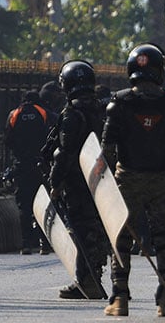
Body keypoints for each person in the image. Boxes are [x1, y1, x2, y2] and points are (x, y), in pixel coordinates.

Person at [102, 44, 165, 317]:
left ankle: (120, 297)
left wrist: (104, 184)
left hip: (126, 178)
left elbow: (106, 148)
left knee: (121, 239)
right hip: (162, 179)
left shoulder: (119, 102)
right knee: (164, 238)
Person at [47, 60, 111, 299]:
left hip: (77, 181)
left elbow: (64, 152)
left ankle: (86, 281)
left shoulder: (73, 114)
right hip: (100, 177)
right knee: (95, 228)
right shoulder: (101, 108)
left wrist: (55, 182)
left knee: (82, 230)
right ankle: (94, 277)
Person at [6, 93, 52, 255]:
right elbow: (52, 137)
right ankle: (44, 242)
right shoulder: (43, 112)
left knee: (24, 206)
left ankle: (26, 243)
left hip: (22, 166)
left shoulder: (15, 114)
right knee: (44, 204)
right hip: (41, 166)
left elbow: (8, 141)